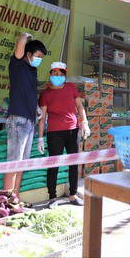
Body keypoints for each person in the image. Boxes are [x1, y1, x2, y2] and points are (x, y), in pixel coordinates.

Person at [38, 61, 90, 207]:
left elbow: (79, 106)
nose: (58, 76)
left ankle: (73, 195)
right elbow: (42, 118)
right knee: (53, 165)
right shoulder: (45, 94)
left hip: (73, 131)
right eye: (55, 73)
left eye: (61, 74)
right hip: (55, 133)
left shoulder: (71, 87)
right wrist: (40, 137)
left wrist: (84, 122)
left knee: (73, 164)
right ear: (50, 74)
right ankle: (53, 198)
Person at [3, 32, 47, 197]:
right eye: (38, 56)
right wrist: (24, 37)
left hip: (30, 121)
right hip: (17, 120)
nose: (39, 59)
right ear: (28, 54)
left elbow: (28, 93)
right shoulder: (17, 65)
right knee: (13, 162)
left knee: (22, 163)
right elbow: (20, 45)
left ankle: (15, 198)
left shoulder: (32, 72)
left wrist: (36, 108)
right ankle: (6, 202)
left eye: (42, 57)